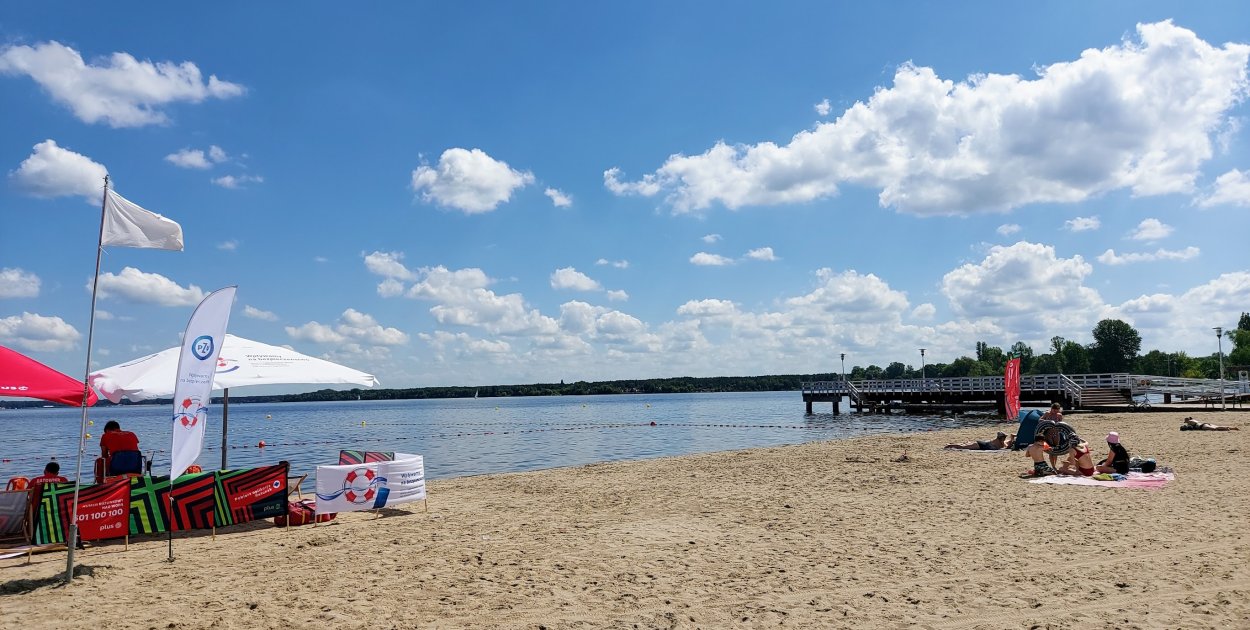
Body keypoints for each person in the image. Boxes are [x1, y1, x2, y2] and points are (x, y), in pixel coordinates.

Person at [946, 431, 1014, 450]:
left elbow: (1010, 439)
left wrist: (1012, 438)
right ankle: (949, 445)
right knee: (963, 447)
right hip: (982, 445)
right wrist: (1012, 439)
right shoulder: (1002, 443)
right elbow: (1007, 446)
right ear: (1002, 438)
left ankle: (951, 444)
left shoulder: (1000, 441)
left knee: (965, 445)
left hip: (983, 444)